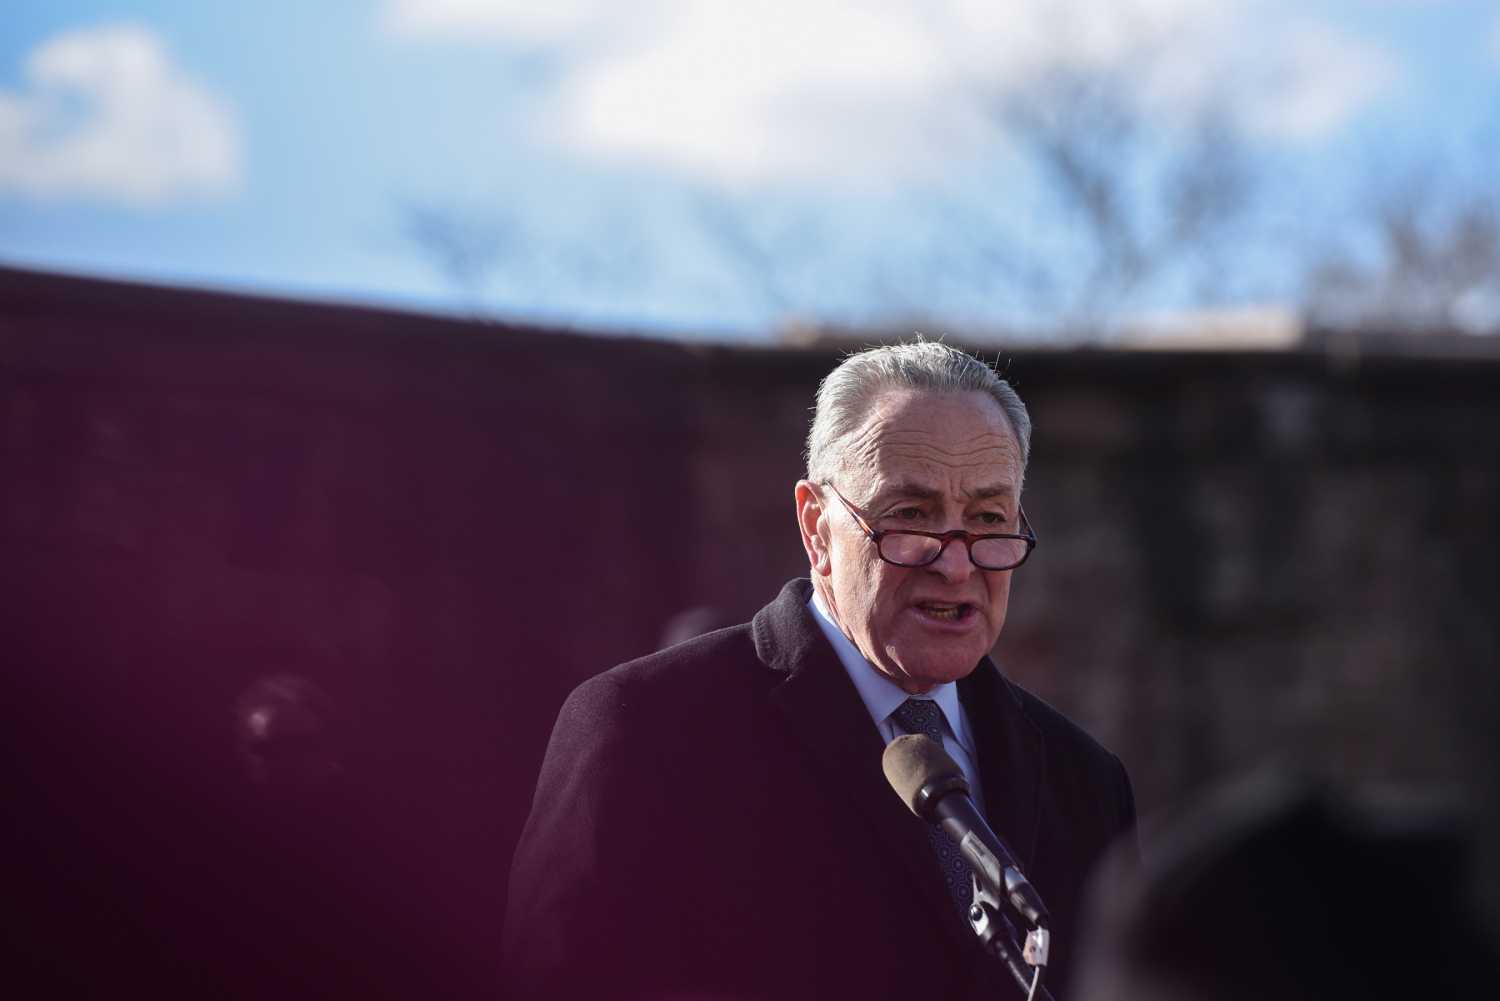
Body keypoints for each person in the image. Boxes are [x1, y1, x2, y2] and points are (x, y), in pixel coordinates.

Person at [502, 341, 1137, 1000]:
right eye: (911, 515)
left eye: (987, 518)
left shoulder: (1085, 783)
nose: (956, 564)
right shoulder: (645, 732)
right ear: (816, 527)